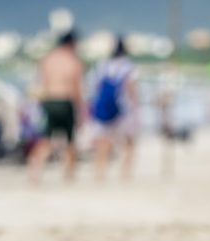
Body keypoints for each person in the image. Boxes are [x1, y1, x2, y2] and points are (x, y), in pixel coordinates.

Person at [27, 31, 84, 184]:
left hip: (49, 101)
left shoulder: (48, 59)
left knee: (45, 139)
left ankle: (35, 172)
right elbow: (76, 88)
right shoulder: (74, 61)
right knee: (70, 141)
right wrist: (82, 109)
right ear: (71, 43)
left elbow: (41, 84)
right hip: (66, 101)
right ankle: (69, 175)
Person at [90, 37, 139, 182]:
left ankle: (100, 173)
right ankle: (125, 173)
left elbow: (96, 88)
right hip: (123, 109)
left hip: (103, 108)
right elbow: (131, 89)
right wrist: (136, 107)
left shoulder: (102, 65)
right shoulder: (128, 66)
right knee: (129, 142)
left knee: (103, 142)